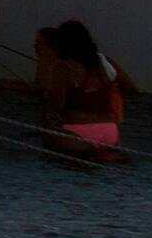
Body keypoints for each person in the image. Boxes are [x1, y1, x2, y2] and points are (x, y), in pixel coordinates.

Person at [36, 18, 130, 161]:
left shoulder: (62, 66)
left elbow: (57, 105)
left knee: (47, 138)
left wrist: (45, 93)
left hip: (78, 134)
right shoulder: (100, 64)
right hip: (110, 132)